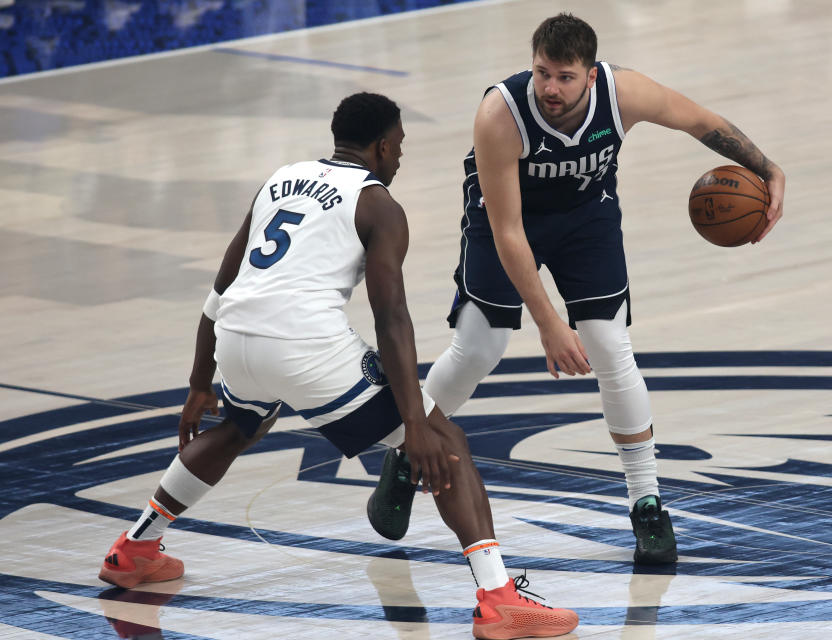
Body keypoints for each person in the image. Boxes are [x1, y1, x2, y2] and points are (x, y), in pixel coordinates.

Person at [97, 92, 579, 640]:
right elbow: (391, 319)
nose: (399, 157)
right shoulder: (378, 204)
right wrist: (415, 428)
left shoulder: (280, 180)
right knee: (446, 440)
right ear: (379, 145)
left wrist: (199, 382)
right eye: (398, 146)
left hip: (236, 336)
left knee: (237, 427)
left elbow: (221, 288)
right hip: (303, 343)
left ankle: (134, 547)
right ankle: (498, 599)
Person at [367, 14, 786, 565]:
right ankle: (408, 449)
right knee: (479, 349)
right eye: (542, 72)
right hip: (507, 222)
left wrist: (765, 168)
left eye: (565, 77)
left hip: (586, 217)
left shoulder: (625, 92)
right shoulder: (501, 114)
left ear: (590, 75)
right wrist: (548, 323)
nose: (550, 88)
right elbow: (509, 231)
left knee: (612, 350)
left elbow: (701, 122)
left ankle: (648, 505)